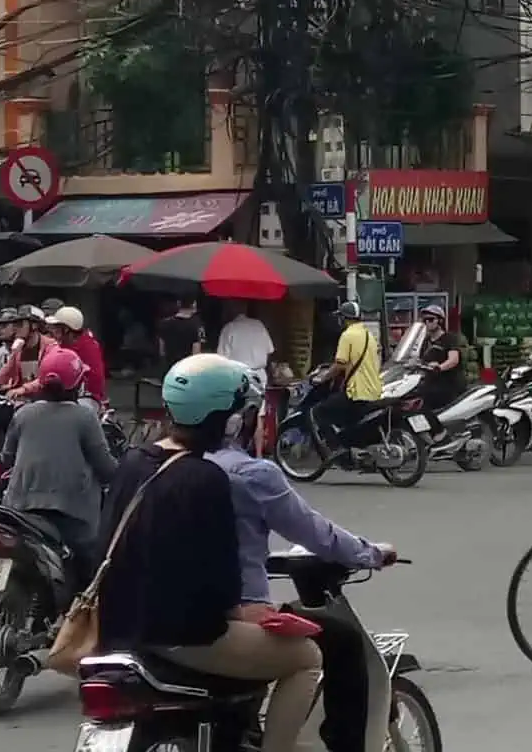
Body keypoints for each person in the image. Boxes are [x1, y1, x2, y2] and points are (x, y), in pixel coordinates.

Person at [99, 355, 321, 752]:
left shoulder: (134, 461)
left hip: (121, 629)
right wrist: (249, 613)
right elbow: (220, 581)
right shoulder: (206, 479)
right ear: (228, 419)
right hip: (186, 636)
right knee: (306, 657)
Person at [206, 361, 391, 752]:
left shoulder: (153, 465)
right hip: (212, 620)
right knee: (334, 643)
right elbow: (315, 532)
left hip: (140, 619)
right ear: (241, 419)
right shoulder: (249, 474)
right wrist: (370, 554)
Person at [0, 348, 117, 568]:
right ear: (78, 383)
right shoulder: (85, 417)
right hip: (70, 512)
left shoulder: (24, 414)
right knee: (92, 561)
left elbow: (7, 458)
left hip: (20, 507)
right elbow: (105, 466)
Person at [316, 302, 383, 451]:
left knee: (320, 412)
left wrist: (323, 378)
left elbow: (340, 363)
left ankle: (336, 450)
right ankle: (354, 450)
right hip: (373, 389)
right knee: (349, 420)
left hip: (356, 391)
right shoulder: (368, 335)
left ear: (344, 318)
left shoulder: (348, 335)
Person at [47, 306, 110, 407]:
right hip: (65, 396)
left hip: (87, 398)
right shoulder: (61, 345)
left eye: (57, 327)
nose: (53, 330)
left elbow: (94, 383)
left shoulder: (87, 346)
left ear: (66, 329)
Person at [413, 305, 466, 414]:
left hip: (447, 385)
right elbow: (420, 359)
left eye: (431, 319)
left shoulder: (449, 338)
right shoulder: (425, 341)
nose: (427, 322)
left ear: (440, 321)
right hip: (430, 383)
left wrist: (439, 367)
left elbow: (453, 359)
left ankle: (439, 430)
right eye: (425, 320)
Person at [217, 304, 277, 386]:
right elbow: (269, 351)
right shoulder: (259, 324)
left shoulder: (229, 328)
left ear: (230, 310)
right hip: (259, 376)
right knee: (258, 398)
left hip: (238, 377)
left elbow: (221, 359)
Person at [158, 295, 206, 363]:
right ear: (194, 304)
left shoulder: (164, 324)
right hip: (188, 366)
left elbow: (162, 351)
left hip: (171, 365)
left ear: (178, 304)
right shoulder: (198, 325)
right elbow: (196, 351)